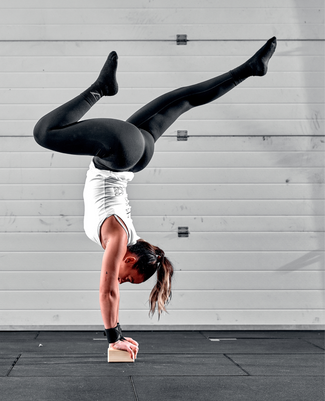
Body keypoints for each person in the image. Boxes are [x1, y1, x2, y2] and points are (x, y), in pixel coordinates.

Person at [33, 37, 277, 360]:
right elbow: (108, 291)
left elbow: (139, 266)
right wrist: (114, 336)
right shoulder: (119, 239)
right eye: (128, 276)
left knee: (187, 99)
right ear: (130, 259)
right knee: (44, 132)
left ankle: (250, 69)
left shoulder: (133, 238)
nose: (120, 278)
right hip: (119, 152)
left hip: (139, 154)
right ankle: (101, 88)